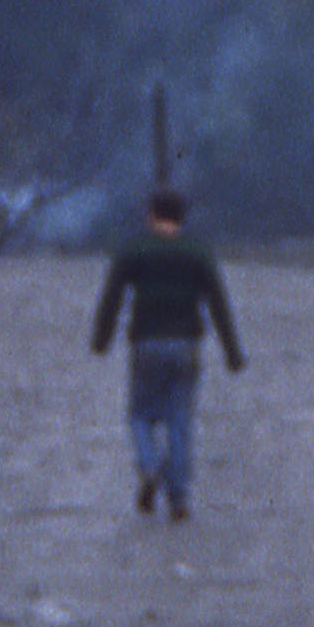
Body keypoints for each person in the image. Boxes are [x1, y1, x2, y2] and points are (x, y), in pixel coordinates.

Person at [88, 185, 246, 520]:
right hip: (185, 345)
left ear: (151, 214)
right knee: (179, 420)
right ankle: (178, 496)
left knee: (140, 415)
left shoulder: (135, 249)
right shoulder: (197, 252)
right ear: (182, 216)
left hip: (145, 343)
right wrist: (232, 351)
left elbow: (112, 296)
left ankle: (148, 464)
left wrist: (102, 337)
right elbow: (218, 303)